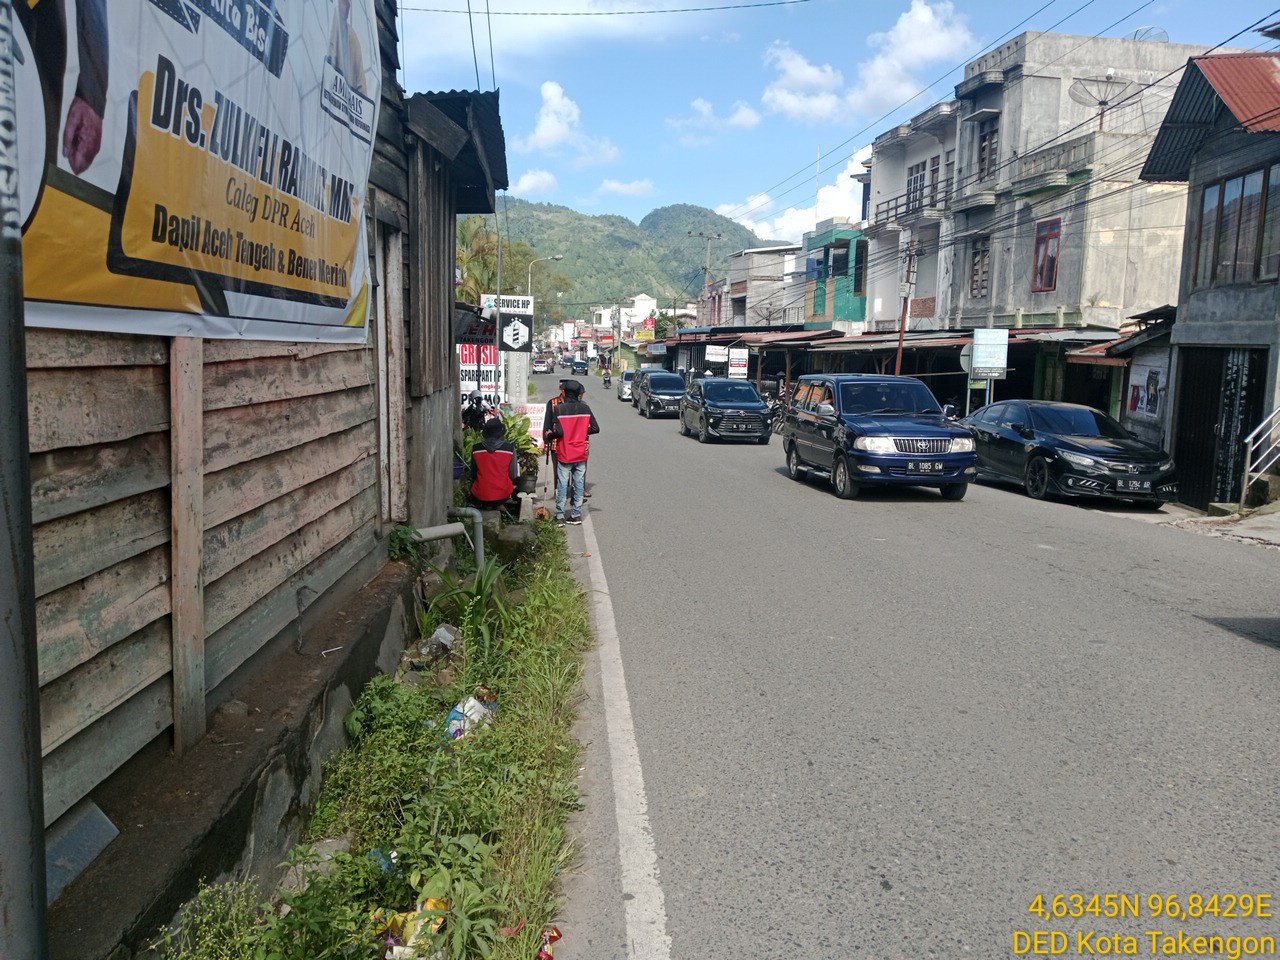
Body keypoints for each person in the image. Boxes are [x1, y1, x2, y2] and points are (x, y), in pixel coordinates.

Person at [544, 379, 598, 525]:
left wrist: (549, 435)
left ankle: (560, 516)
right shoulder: (585, 408)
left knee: (562, 484)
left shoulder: (559, 409)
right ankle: (576, 515)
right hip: (580, 452)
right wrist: (582, 432)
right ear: (578, 393)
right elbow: (595, 428)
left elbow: (559, 432)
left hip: (565, 453)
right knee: (579, 484)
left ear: (565, 392)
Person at [468, 418, 519, 511]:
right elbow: (513, 475)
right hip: (502, 494)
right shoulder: (510, 449)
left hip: (481, 494)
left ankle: (488, 504)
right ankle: (498, 504)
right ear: (501, 433)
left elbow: (473, 474)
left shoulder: (476, 449)